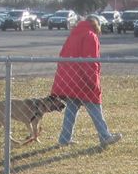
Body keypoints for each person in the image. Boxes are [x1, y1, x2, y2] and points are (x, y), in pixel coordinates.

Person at [51, 15, 122, 148]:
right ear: (97, 25)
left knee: (71, 109)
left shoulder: (74, 34)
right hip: (83, 80)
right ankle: (105, 136)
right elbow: (90, 62)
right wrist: (93, 82)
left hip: (70, 79)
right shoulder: (90, 36)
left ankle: (64, 139)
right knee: (94, 107)